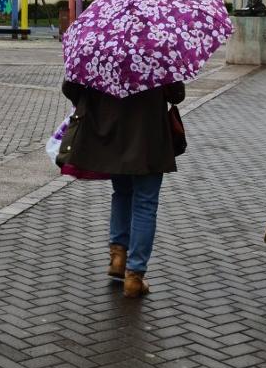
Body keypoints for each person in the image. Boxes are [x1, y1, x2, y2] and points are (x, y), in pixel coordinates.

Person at [58, 79, 185, 298]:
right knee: (145, 203)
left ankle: (118, 258)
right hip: (149, 136)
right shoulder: (157, 49)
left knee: (122, 193)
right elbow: (176, 94)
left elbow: (71, 87)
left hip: (113, 133)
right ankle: (134, 276)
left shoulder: (100, 48)